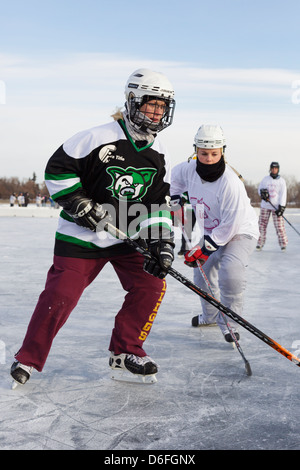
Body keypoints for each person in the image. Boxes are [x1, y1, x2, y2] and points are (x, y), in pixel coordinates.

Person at [11, 68, 176, 386]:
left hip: (125, 237)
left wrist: (162, 243)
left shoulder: (157, 155)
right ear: (132, 101)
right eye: (150, 104)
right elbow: (57, 171)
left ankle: (125, 353)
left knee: (151, 285)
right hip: (81, 236)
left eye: (162, 106)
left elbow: (157, 204)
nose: (156, 112)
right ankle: (28, 358)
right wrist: (78, 203)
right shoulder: (96, 137)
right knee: (61, 294)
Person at [170, 125, 259, 342]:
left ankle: (229, 322)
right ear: (196, 151)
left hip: (240, 232)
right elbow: (174, 179)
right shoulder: (188, 169)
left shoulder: (230, 183)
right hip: (212, 231)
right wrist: (176, 198)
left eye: (214, 154)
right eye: (203, 153)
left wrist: (205, 247)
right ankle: (209, 316)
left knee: (232, 273)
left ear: (222, 152)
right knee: (201, 275)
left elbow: (230, 225)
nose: (209, 158)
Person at [256, 162, 288, 251]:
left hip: (276, 206)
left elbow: (283, 195)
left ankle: (283, 244)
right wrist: (263, 195)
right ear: (270, 169)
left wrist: (282, 207)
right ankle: (260, 243)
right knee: (262, 225)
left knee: (279, 226)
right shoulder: (265, 179)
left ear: (278, 169)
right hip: (265, 205)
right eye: (272, 168)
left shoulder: (281, 181)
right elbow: (260, 189)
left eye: (276, 168)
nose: (274, 170)